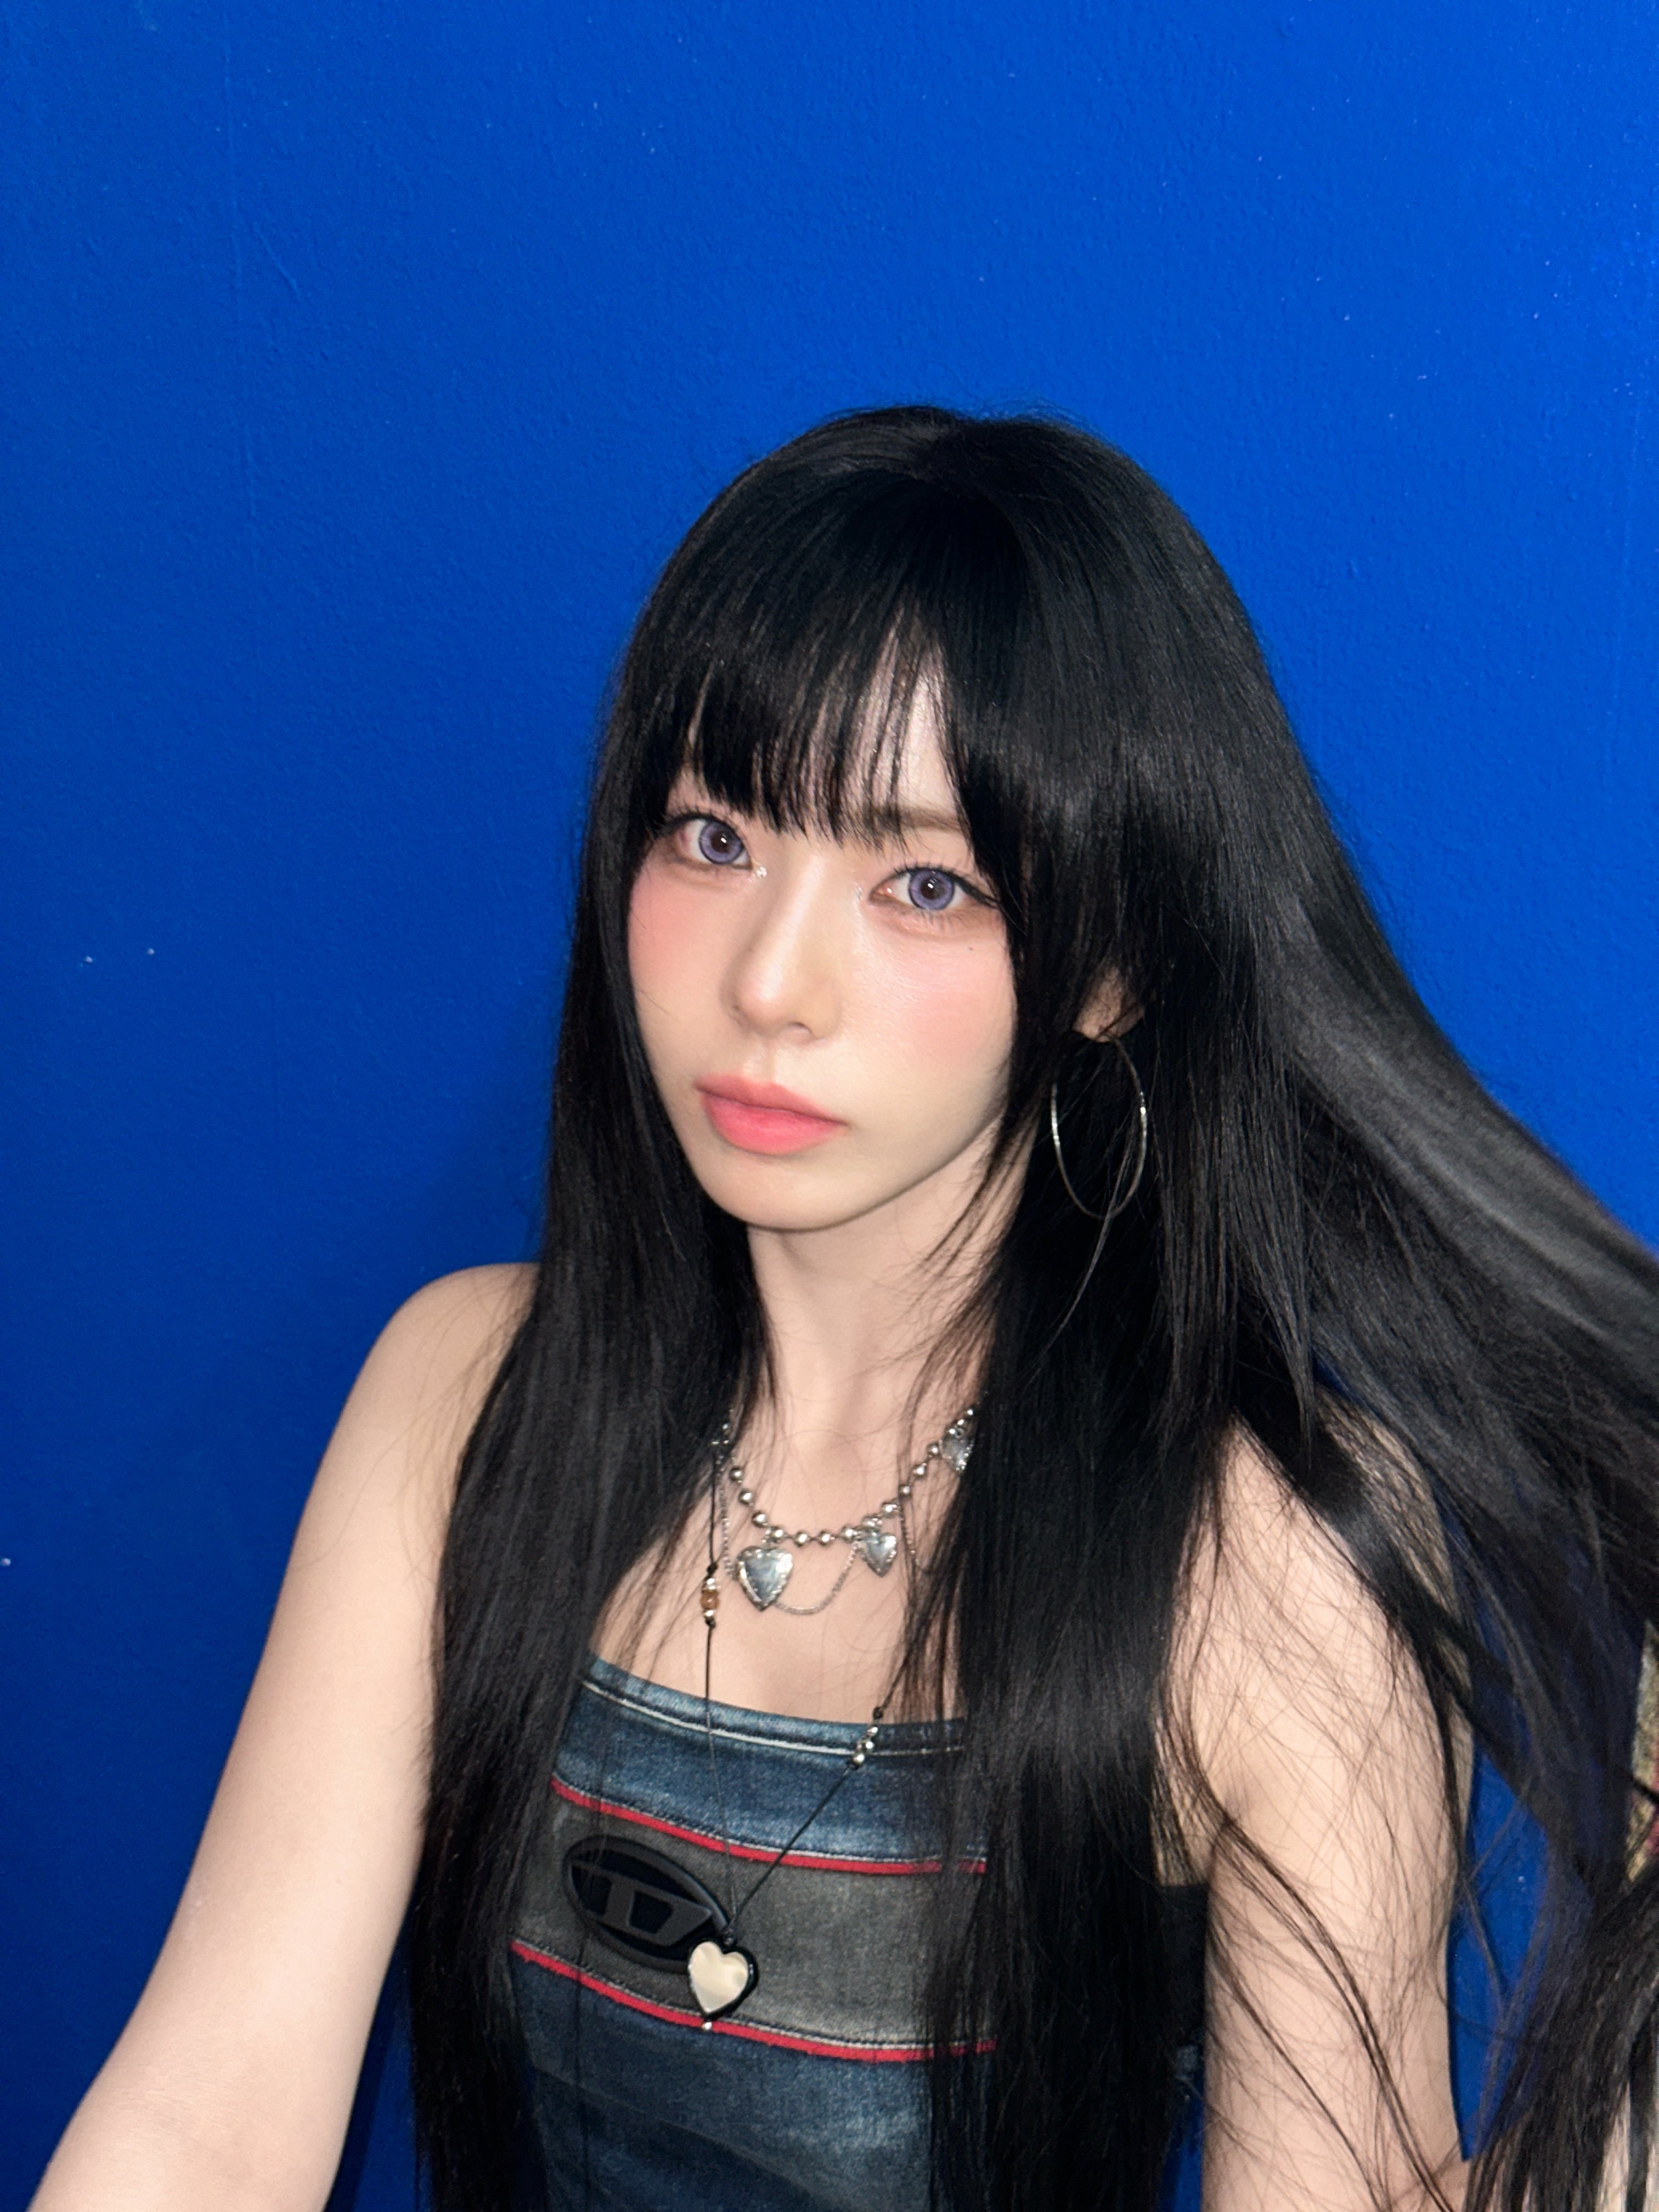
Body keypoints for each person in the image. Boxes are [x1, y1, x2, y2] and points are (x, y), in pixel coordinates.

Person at [30, 407, 1659, 2212]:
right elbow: (210, 2113)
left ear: (1114, 968)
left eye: (923, 884)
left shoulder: (1257, 1554)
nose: (770, 982)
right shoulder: (466, 1398)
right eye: (714, 837)